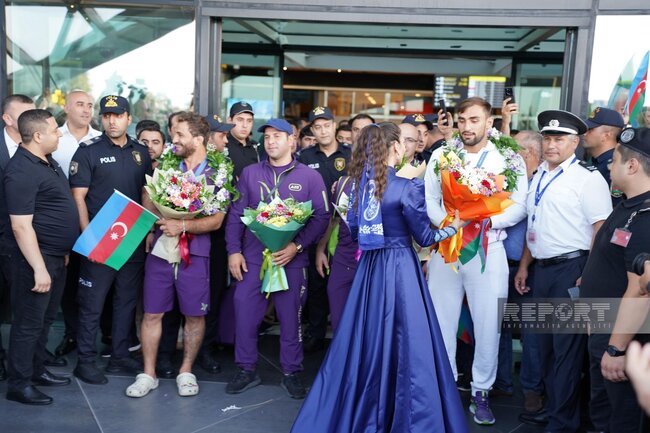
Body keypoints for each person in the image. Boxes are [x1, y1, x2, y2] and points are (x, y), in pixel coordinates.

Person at [291, 122, 468, 433]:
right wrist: (457, 224)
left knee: (367, 339)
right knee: (409, 341)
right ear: (396, 148)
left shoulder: (357, 188)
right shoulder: (406, 187)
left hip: (370, 271)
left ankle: (366, 408)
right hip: (401, 270)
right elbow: (426, 238)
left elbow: (357, 233)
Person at [424, 97, 528, 425]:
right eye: (462, 120)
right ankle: (445, 385)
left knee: (488, 324)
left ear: (488, 122)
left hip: (489, 249)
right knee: (441, 321)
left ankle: (481, 391)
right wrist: (452, 225)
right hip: (448, 248)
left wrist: (487, 223)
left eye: (474, 120)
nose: (467, 127)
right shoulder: (442, 154)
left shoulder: (507, 157)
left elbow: (519, 204)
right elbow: (430, 198)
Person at [514, 110, 612, 432]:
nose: (551, 144)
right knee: (541, 349)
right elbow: (534, 223)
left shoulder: (587, 178)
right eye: (547, 137)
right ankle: (548, 412)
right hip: (542, 271)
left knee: (565, 356)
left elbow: (601, 229)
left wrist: (590, 275)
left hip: (572, 270)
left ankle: (562, 423)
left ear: (575, 142)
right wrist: (526, 265)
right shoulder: (539, 174)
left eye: (558, 139)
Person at [225, 118, 329, 399]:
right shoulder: (249, 173)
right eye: (267, 137)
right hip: (253, 259)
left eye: (277, 136)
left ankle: (291, 372)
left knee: (291, 318)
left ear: (292, 140)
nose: (271, 141)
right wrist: (233, 251)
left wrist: (297, 246)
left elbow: (321, 216)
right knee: (244, 315)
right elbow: (236, 214)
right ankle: (246, 368)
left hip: (291, 261)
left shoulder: (309, 176)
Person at [126, 113, 226, 398]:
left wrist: (182, 224)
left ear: (198, 139)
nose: (174, 139)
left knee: (194, 316)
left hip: (197, 252)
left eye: (180, 134)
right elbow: (150, 203)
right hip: (160, 249)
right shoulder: (167, 165)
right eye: (173, 133)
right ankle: (148, 373)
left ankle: (186, 370)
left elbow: (217, 220)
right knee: (152, 312)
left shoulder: (219, 171)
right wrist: (157, 203)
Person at [70, 95, 152, 385]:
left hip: (132, 238)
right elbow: (78, 197)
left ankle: (119, 356)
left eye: (118, 115)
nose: (112, 120)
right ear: (101, 119)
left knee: (126, 301)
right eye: (107, 116)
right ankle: (86, 361)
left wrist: (148, 231)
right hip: (100, 239)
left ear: (129, 118)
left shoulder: (141, 152)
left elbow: (146, 193)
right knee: (92, 304)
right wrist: (89, 238)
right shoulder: (88, 151)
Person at [4, 109, 79, 404]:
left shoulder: (46, 162)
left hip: (54, 256)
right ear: (37, 136)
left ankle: (36, 369)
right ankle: (18, 384)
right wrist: (39, 268)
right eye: (54, 130)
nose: (59, 133)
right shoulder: (20, 170)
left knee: (45, 320)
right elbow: (20, 226)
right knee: (27, 324)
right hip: (33, 260)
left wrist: (61, 251)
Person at [580, 127, 650, 433]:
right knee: (603, 412)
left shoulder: (646, 217)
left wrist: (616, 350)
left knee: (621, 418)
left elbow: (640, 290)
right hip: (604, 326)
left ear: (632, 166)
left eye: (616, 159)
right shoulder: (628, 204)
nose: (610, 165)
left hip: (623, 339)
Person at [493, 130, 544, 413]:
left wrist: (525, 265)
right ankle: (501, 382)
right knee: (497, 327)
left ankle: (531, 391)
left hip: (531, 270)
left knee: (531, 333)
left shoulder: (541, 182)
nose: (507, 156)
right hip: (502, 266)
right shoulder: (508, 181)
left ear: (526, 153)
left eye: (513, 151)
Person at [52, 91, 102, 360]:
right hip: (63, 222)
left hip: (98, 221)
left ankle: (96, 337)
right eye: (80, 104)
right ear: (66, 107)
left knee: (95, 279)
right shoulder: (54, 138)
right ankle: (71, 333)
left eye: (90, 106)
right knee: (68, 283)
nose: (86, 110)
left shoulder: (100, 140)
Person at [298, 106, 352, 352]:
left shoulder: (351, 155)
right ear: (311, 130)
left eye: (326, 125)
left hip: (345, 230)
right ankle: (316, 333)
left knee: (342, 283)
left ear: (334, 125)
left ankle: (344, 335)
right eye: (317, 127)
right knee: (316, 284)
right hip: (313, 228)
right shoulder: (304, 157)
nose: (322, 130)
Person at [0, 94, 36, 381]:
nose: (31, 120)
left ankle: (27, 364)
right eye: (25, 114)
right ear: (8, 119)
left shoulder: (38, 150)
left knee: (24, 309)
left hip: (22, 242)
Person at [583, 107, 625, 189]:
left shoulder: (616, 167)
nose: (585, 133)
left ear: (606, 135)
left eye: (590, 129)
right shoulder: (593, 160)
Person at [226, 101, 265, 179]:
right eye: (240, 120)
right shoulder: (223, 145)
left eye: (249, 121)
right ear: (229, 121)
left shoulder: (256, 147)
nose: (245, 125)